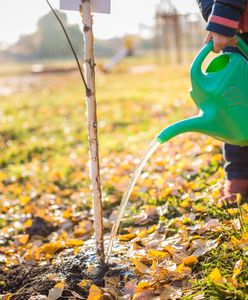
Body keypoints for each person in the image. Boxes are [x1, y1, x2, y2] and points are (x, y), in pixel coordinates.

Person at [197, 0, 248, 205]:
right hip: (238, 26)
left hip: (232, 19)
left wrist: (223, 20)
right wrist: (214, 14)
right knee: (234, 102)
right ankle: (239, 174)